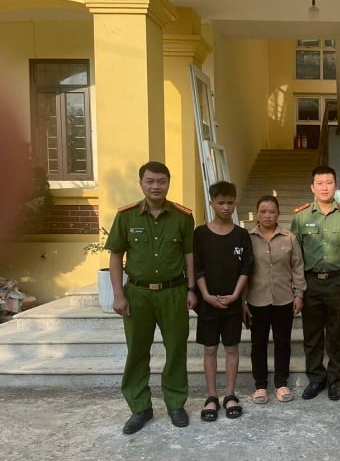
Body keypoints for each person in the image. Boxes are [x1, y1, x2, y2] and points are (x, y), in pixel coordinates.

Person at [105, 161, 196, 435]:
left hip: (173, 293)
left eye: (161, 181)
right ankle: (140, 407)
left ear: (169, 183)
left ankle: (176, 403)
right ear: (141, 183)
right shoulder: (126, 216)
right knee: (137, 351)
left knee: (177, 350)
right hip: (138, 294)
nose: (156, 186)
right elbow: (115, 256)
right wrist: (118, 294)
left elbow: (190, 255)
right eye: (150, 181)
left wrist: (192, 289)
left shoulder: (183, 216)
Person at [291, 165, 340, 401]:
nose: (324, 187)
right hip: (310, 283)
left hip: (337, 283)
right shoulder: (301, 217)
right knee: (312, 335)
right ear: (312, 187)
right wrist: (297, 289)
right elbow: (295, 256)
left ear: (336, 185)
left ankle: (334, 380)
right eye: (319, 183)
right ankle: (315, 379)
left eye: (329, 182)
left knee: (335, 334)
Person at [193, 181, 253, 421]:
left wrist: (237, 296)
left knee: (231, 348)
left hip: (232, 303)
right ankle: (211, 396)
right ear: (212, 203)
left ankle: (230, 395)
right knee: (209, 349)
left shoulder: (241, 235)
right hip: (207, 302)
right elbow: (196, 268)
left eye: (230, 202)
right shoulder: (200, 234)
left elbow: (246, 269)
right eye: (221, 203)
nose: (226, 207)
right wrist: (205, 295)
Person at [245, 195, 306, 404]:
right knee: (258, 344)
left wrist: (299, 294)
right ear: (257, 214)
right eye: (263, 211)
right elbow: (242, 271)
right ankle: (260, 386)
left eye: (272, 211)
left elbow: (297, 267)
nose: (267, 215)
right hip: (256, 300)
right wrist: (242, 300)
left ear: (278, 213)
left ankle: (281, 383)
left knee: (283, 343)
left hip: (284, 299)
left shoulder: (289, 237)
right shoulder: (248, 238)